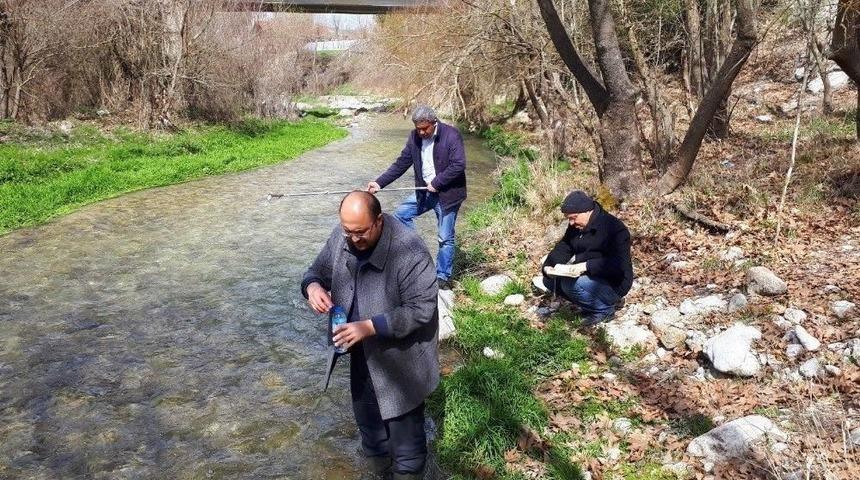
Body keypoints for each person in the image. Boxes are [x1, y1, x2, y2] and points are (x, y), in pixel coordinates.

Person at [301, 191, 439, 479]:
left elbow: (421, 308)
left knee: (407, 454)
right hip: (360, 355)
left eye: (360, 232)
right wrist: (312, 288)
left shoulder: (409, 250)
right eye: (347, 231)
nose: (352, 239)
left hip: (403, 364)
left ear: (378, 221)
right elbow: (315, 271)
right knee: (373, 442)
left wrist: (369, 326)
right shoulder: (343, 237)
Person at [367, 105, 466, 291]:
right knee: (401, 215)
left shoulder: (451, 135)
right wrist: (379, 183)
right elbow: (401, 163)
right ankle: (418, 251)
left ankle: (443, 276)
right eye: (418, 128)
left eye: (424, 128)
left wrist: (438, 182)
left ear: (433, 123)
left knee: (445, 238)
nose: (421, 132)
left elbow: (459, 165)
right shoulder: (414, 138)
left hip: (448, 195)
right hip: (425, 193)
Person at [534, 190, 633, 327]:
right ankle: (591, 306)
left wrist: (585, 266)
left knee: (570, 284)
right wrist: (548, 266)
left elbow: (618, 265)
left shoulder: (615, 229)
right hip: (589, 277)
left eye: (573, 217)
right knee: (550, 281)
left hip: (615, 283)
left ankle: (604, 310)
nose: (571, 223)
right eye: (568, 218)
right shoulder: (576, 227)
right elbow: (565, 246)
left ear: (587, 211)